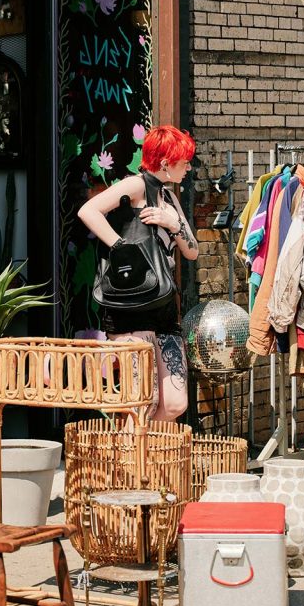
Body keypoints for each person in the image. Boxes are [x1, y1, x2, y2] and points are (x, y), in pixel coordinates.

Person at [78, 125, 198, 420]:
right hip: (131, 307)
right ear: (167, 163)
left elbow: (192, 250)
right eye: (184, 161)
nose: (189, 167)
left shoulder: (170, 199)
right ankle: (134, 462)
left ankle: (140, 451)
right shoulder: (136, 185)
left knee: (174, 403)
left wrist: (173, 224)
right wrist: (121, 247)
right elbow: (88, 211)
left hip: (164, 308)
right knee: (143, 402)